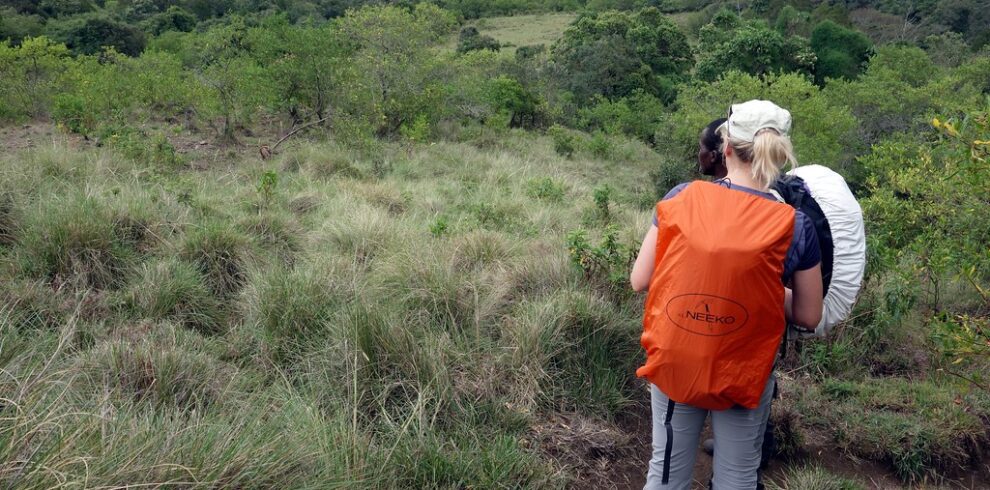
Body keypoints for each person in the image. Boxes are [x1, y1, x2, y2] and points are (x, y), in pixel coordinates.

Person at [630, 100, 823, 489]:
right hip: (744, 369)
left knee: (665, 472)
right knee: (738, 475)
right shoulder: (796, 223)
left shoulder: (681, 196)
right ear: (778, 154)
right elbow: (808, 315)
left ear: (727, 148)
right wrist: (762, 294)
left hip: (676, 360)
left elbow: (641, 278)